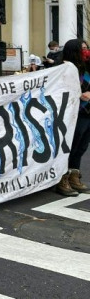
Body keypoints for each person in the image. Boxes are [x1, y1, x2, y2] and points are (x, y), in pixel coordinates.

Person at [56, 39, 90, 196]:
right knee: (70, 147)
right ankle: (62, 178)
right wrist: (78, 94)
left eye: (86, 48)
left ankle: (74, 176)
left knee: (81, 147)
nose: (85, 51)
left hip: (87, 113)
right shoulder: (64, 68)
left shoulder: (87, 67)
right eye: (81, 48)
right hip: (73, 115)